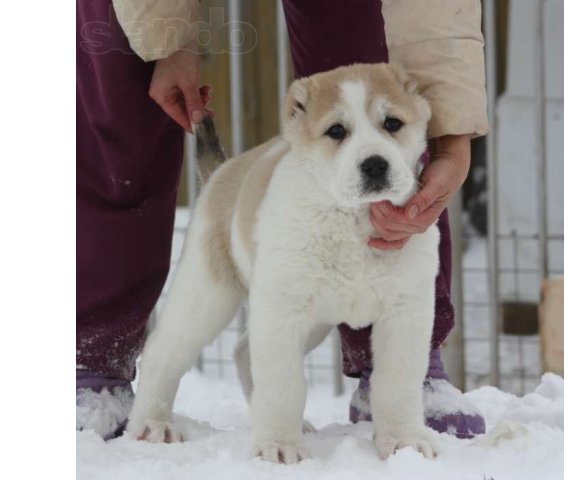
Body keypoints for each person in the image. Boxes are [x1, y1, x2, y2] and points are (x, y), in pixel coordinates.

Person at [76, 0, 488, 440]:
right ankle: (98, 366)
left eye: (391, 124)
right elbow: (279, 314)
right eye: (337, 131)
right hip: (235, 222)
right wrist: (167, 43)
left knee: (403, 301)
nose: (371, 155)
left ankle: (405, 399)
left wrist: (453, 135)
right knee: (195, 317)